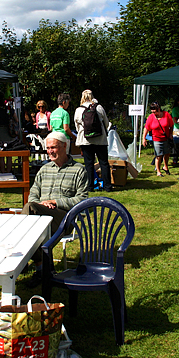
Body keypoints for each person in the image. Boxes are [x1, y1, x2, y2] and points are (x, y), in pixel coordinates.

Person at [22, 132, 89, 287]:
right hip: (40, 214)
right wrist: (42, 205)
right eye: (48, 148)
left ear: (64, 146)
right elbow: (33, 194)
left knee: (28, 217)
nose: (50, 151)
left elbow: (82, 200)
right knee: (32, 222)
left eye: (53, 147)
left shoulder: (78, 170)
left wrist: (55, 202)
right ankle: (44, 269)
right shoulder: (44, 170)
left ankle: (27, 262)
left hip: (64, 217)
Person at [74, 89, 112, 192]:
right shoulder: (99, 107)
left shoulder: (78, 110)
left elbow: (77, 127)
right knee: (104, 163)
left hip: (85, 140)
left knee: (89, 164)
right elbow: (107, 124)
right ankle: (107, 186)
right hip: (100, 140)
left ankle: (90, 187)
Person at [142, 102, 174, 177]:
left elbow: (171, 125)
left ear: (159, 109)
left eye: (155, 112)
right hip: (156, 139)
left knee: (167, 153)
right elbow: (146, 128)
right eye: (152, 112)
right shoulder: (151, 117)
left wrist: (170, 134)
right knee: (158, 155)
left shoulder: (166, 115)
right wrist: (144, 138)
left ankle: (165, 166)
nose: (154, 113)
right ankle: (158, 171)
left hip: (166, 138)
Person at [170, 96, 179, 166]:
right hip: (177, 129)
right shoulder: (175, 109)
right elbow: (175, 120)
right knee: (175, 145)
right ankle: (175, 159)